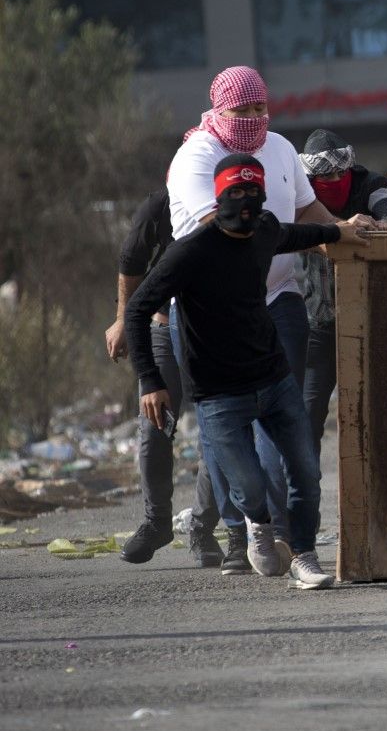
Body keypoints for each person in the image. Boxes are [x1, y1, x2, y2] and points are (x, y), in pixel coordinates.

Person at [126, 155, 365, 589]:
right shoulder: (190, 252)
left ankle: (304, 555)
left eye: (254, 190)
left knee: (305, 471)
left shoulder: (265, 231)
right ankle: (256, 524)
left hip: (272, 379)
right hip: (218, 394)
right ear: (218, 197)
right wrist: (150, 380)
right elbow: (139, 308)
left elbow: (299, 233)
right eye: (235, 192)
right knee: (250, 489)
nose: (246, 200)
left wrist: (340, 230)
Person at [168, 66, 347, 570]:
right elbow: (225, 229)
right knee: (225, 429)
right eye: (241, 111)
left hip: (278, 300)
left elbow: (309, 210)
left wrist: (343, 231)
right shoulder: (196, 157)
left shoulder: (283, 148)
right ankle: (236, 532)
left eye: (259, 109)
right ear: (218, 110)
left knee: (283, 419)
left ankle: (284, 534)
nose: (252, 119)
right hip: (210, 315)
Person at [105, 187, 223, 567]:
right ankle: (156, 522)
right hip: (162, 325)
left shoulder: (236, 200)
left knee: (217, 433)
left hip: (215, 334)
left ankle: (203, 529)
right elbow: (131, 259)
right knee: (153, 428)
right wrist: (124, 319)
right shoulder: (161, 203)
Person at [298, 130, 387, 451]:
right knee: (307, 418)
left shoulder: (368, 183)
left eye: (340, 173)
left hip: (372, 321)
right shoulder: (301, 195)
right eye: (325, 175)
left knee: (383, 412)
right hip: (320, 322)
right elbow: (293, 227)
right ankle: (303, 497)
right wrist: (340, 228)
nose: (335, 179)